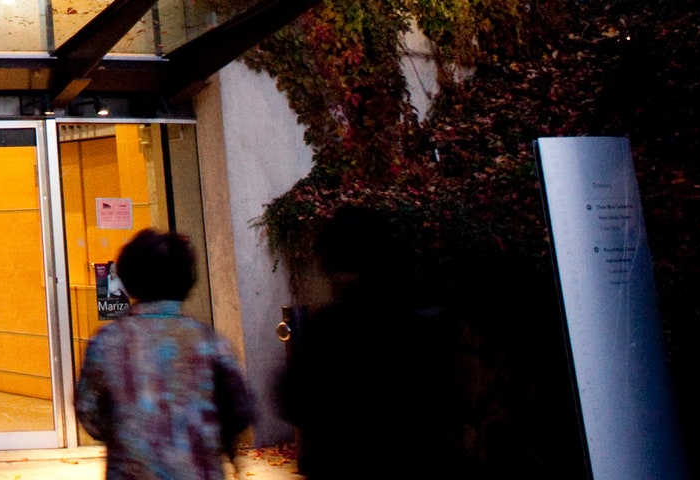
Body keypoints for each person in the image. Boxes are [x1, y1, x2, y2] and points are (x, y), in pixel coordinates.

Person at [276, 206, 460, 479]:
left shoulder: (330, 327)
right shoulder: (419, 319)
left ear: (332, 263)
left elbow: (294, 399)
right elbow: (445, 399)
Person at [74, 230, 254, 480]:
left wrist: (129, 432)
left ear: (128, 278)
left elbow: (88, 411)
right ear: (186, 279)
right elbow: (240, 409)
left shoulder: (106, 343)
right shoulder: (208, 342)